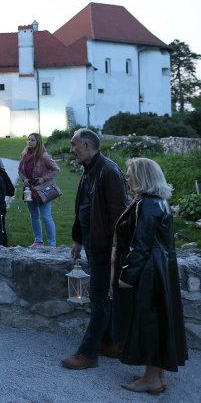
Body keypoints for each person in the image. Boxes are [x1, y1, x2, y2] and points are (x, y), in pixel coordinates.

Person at [113, 158, 187, 394]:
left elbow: (141, 245)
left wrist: (127, 276)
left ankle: (151, 380)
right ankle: (156, 376)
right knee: (159, 322)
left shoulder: (148, 204)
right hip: (159, 269)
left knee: (149, 324)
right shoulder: (157, 202)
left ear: (142, 176)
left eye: (130, 173)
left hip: (148, 272)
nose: (126, 177)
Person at [61, 128, 128, 370]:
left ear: (87, 146)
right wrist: (79, 240)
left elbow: (120, 214)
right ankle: (109, 342)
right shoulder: (90, 170)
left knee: (99, 298)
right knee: (101, 296)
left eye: (74, 145)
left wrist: (113, 248)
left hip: (104, 247)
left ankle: (88, 353)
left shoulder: (108, 171)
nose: (72, 149)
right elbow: (85, 208)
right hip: (93, 242)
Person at [18, 133, 60, 248]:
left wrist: (43, 179)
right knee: (34, 216)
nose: (29, 142)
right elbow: (20, 171)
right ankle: (38, 241)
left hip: (42, 191)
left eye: (32, 140)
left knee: (46, 217)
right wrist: (25, 179)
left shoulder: (43, 156)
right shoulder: (25, 155)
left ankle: (52, 244)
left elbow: (56, 169)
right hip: (28, 190)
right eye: (28, 139)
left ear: (38, 142)